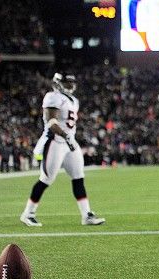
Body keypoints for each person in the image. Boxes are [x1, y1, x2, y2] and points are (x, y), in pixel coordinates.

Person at [20, 73, 105, 227]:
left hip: (68, 141)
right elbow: (51, 122)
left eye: (72, 81)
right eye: (67, 82)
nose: (71, 84)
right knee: (46, 179)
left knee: (78, 177)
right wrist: (65, 136)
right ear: (58, 83)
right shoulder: (53, 97)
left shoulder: (74, 100)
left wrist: (69, 138)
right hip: (55, 141)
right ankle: (28, 214)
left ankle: (86, 215)